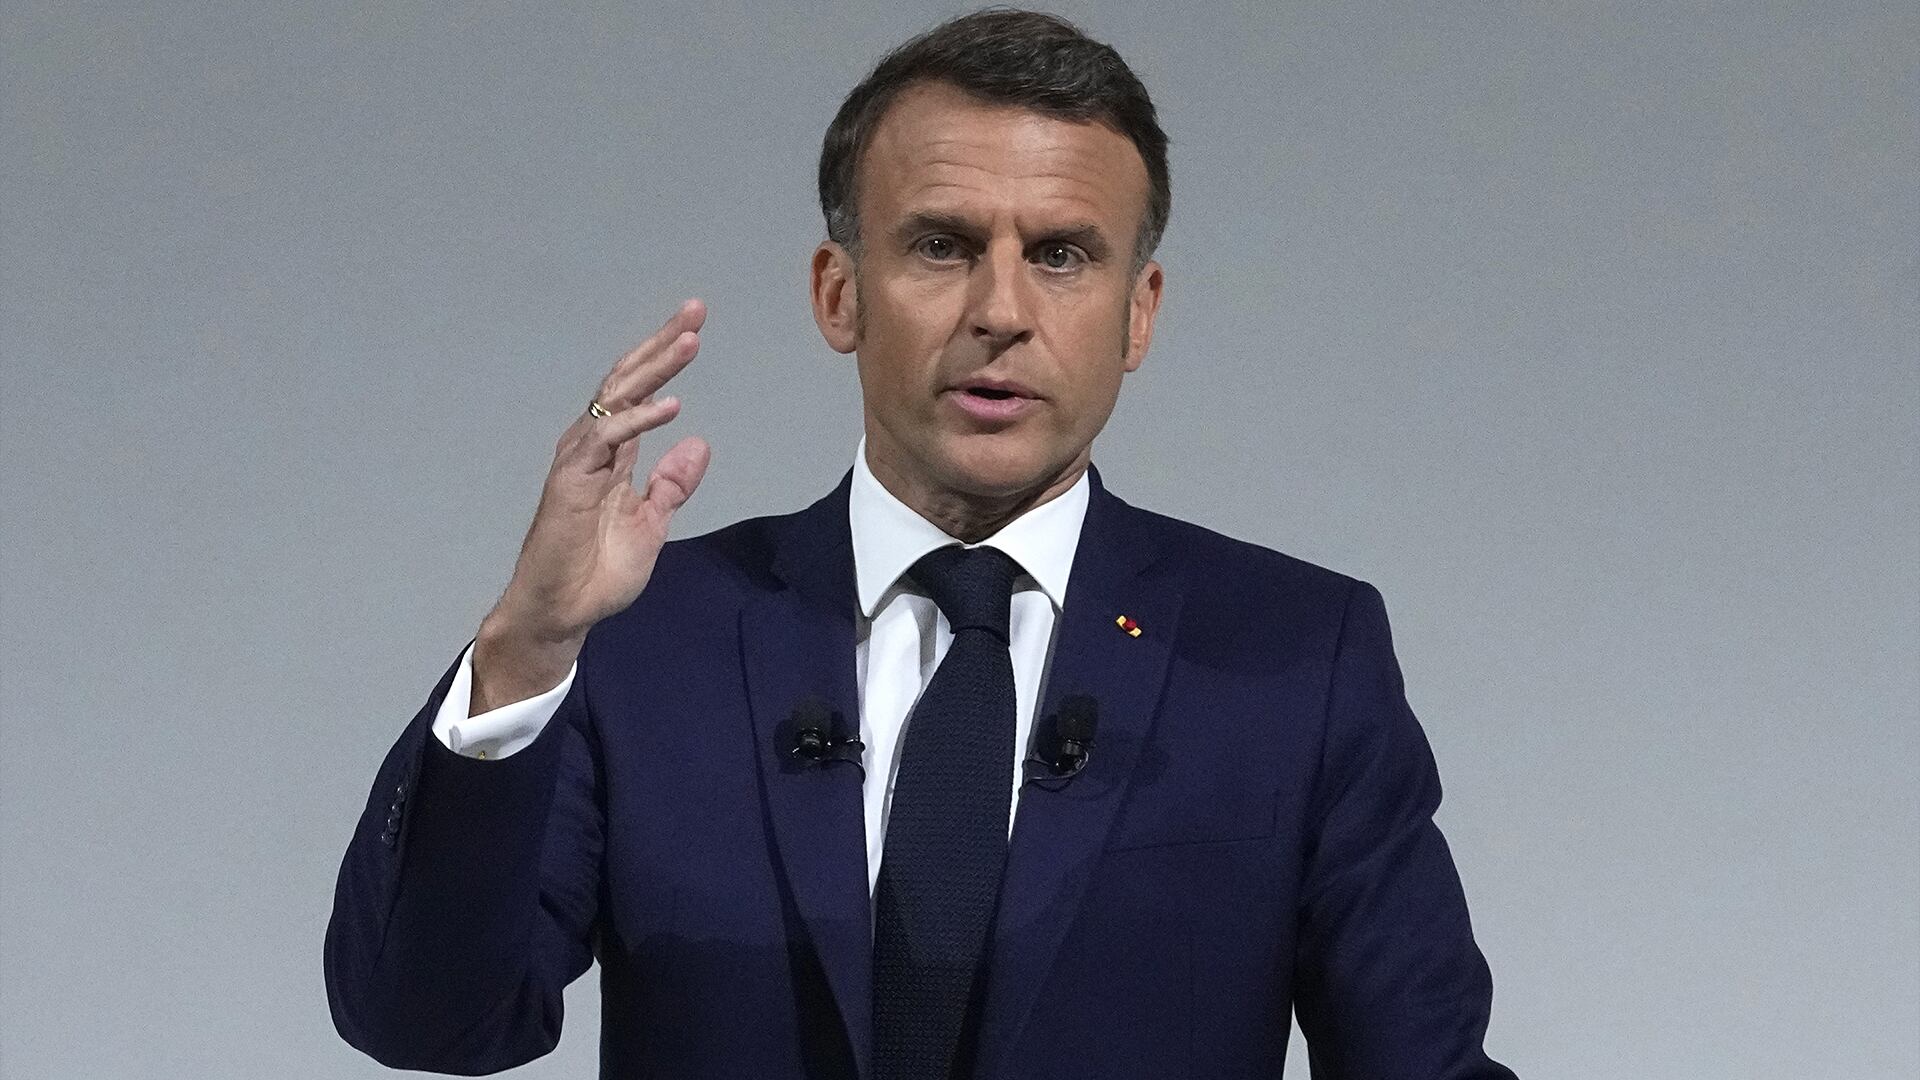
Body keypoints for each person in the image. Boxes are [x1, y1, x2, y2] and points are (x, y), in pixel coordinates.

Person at [324, 9, 1518, 1079]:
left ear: (1138, 314)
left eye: (1061, 254)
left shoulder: (1297, 659)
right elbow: (427, 1021)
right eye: (942, 245)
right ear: (839, 294)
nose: (1001, 311)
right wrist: (525, 652)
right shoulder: (643, 638)